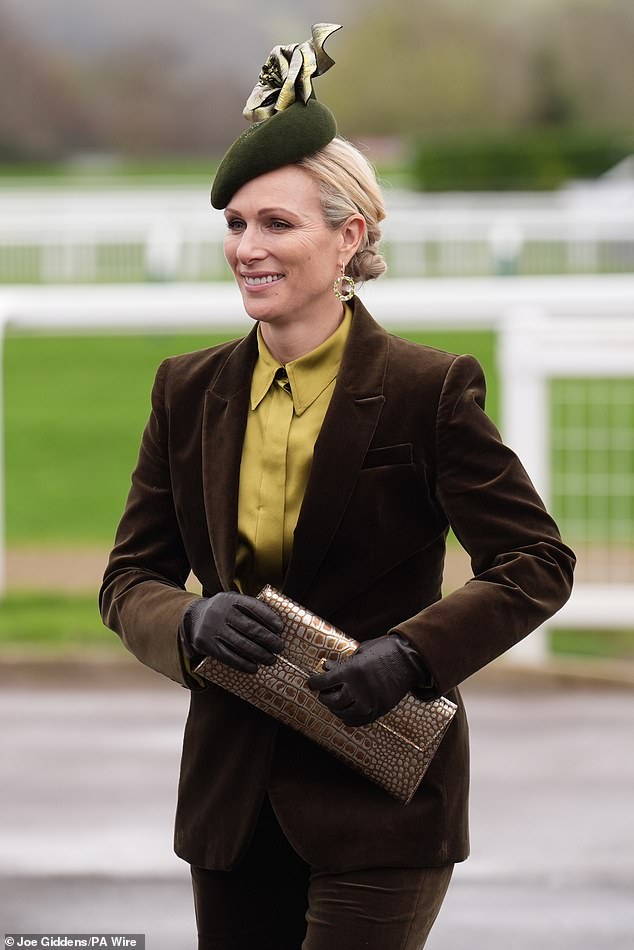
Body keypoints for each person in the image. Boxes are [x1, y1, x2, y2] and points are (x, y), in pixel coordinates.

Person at [100, 23, 575, 950]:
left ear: (348, 236)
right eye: (235, 224)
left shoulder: (428, 389)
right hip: (230, 805)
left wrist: (411, 655)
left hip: (382, 799)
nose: (247, 247)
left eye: (276, 224)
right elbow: (128, 580)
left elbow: (534, 561)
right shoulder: (184, 390)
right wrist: (188, 624)